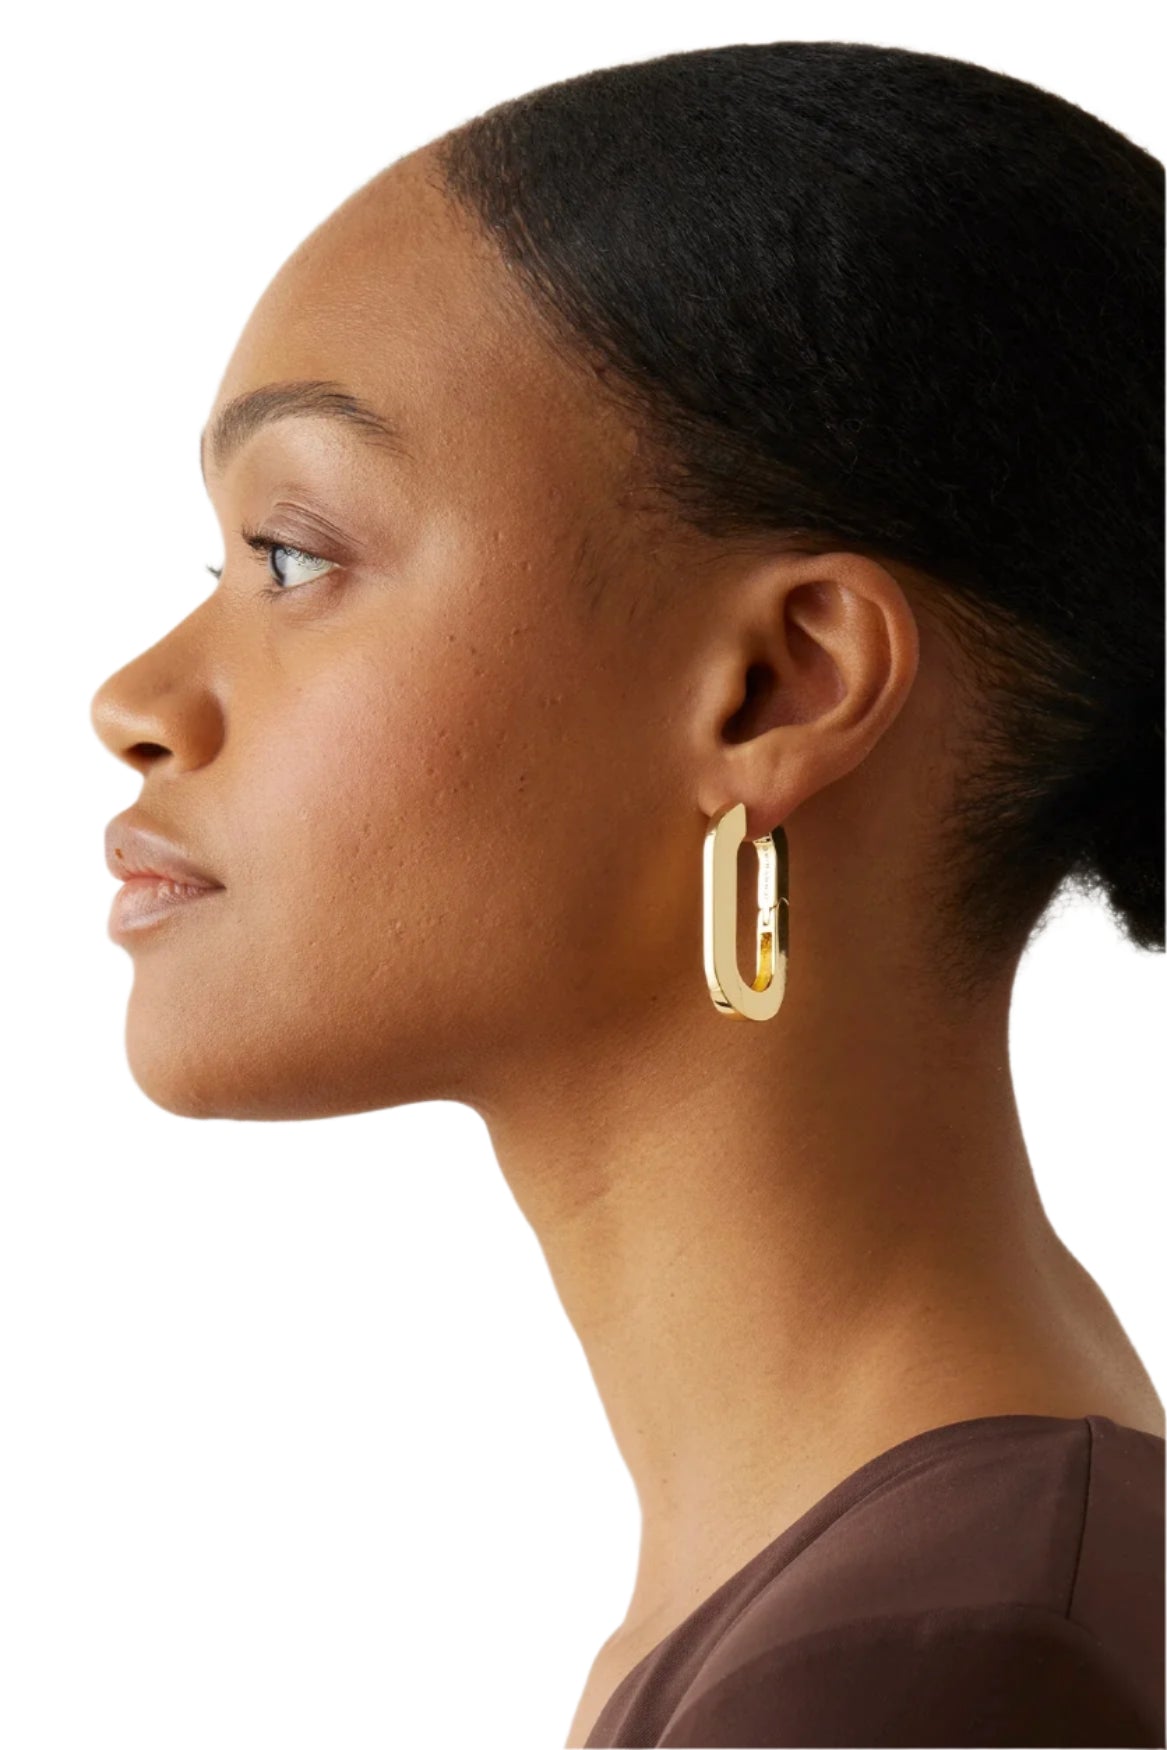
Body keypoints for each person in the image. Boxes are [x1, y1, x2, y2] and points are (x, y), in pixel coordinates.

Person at [90, 39, 1165, 1750]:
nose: (136, 701)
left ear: (776, 686)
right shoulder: (915, 1590)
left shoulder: (930, 1672)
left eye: (294, 555)